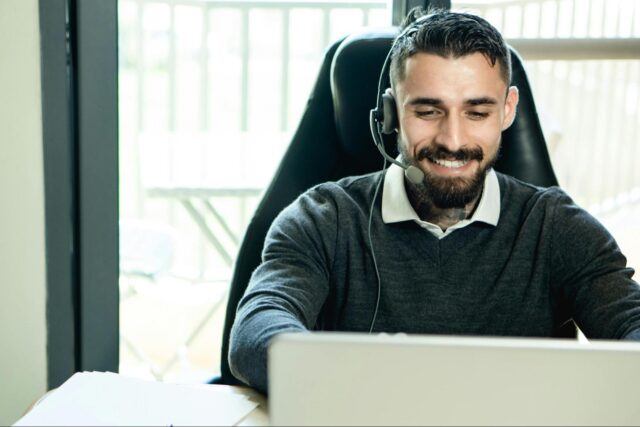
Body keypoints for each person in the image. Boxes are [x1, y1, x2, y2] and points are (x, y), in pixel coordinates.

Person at [228, 8, 640, 394]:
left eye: (477, 113)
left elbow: (631, 324)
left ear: (508, 111)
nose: (453, 141)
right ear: (390, 114)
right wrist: (360, 383)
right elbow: (256, 329)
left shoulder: (558, 226)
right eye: (428, 111)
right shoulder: (323, 218)